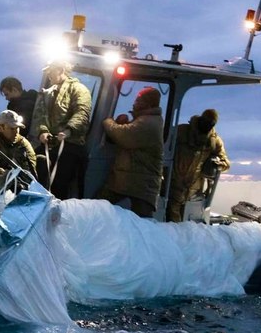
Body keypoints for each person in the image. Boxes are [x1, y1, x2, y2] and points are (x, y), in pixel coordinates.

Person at [98, 86, 164, 218]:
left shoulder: (149, 123)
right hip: (134, 182)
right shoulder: (145, 120)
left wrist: (108, 121)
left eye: (139, 100)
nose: (135, 103)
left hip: (140, 185)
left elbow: (124, 136)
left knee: (141, 225)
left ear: (148, 104)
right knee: (100, 206)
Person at [31, 61, 91, 199]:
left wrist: (69, 130)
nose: (48, 74)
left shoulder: (79, 89)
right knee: (35, 175)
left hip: (70, 145)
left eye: (50, 71)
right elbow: (41, 114)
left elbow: (82, 112)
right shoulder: (48, 92)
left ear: (60, 70)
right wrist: (42, 131)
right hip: (49, 145)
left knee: (60, 185)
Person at [167, 108, 231, 222]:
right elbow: (164, 145)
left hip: (194, 192)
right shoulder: (181, 131)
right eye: (205, 121)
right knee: (171, 220)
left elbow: (225, 163)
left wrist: (217, 163)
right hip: (173, 185)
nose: (207, 125)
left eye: (210, 124)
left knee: (189, 224)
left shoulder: (214, 141)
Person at [0, 110, 37, 182]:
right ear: (0, 128)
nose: (16, 132)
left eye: (17, 128)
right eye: (12, 128)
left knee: (42, 160)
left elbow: (31, 165)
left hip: (22, 182)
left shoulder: (23, 143)